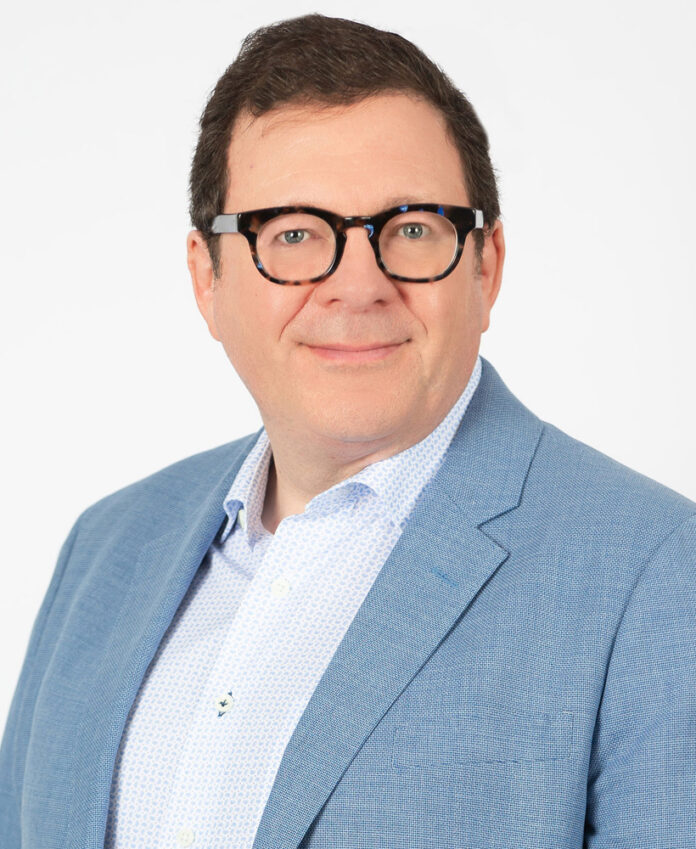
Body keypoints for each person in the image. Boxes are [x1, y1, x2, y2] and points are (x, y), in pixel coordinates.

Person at [1, 12, 694, 849]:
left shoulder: (658, 572)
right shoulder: (105, 549)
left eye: (412, 228)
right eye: (293, 234)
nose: (358, 284)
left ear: (486, 266)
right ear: (207, 279)